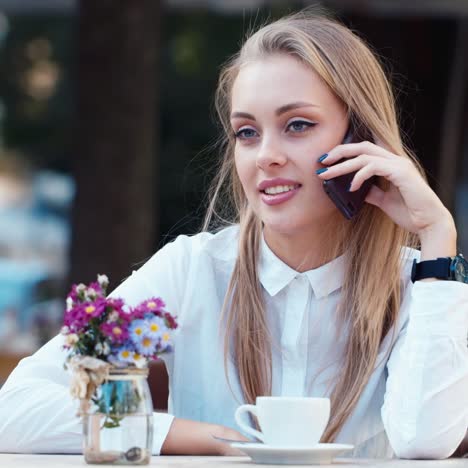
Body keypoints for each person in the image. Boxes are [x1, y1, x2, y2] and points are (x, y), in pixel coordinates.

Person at [0, 9, 467, 459]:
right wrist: (196, 436)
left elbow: (424, 442)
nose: (266, 155)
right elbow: (14, 408)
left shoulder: (420, 288)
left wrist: (437, 238)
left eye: (297, 125)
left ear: (360, 139)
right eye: (247, 132)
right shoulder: (192, 270)